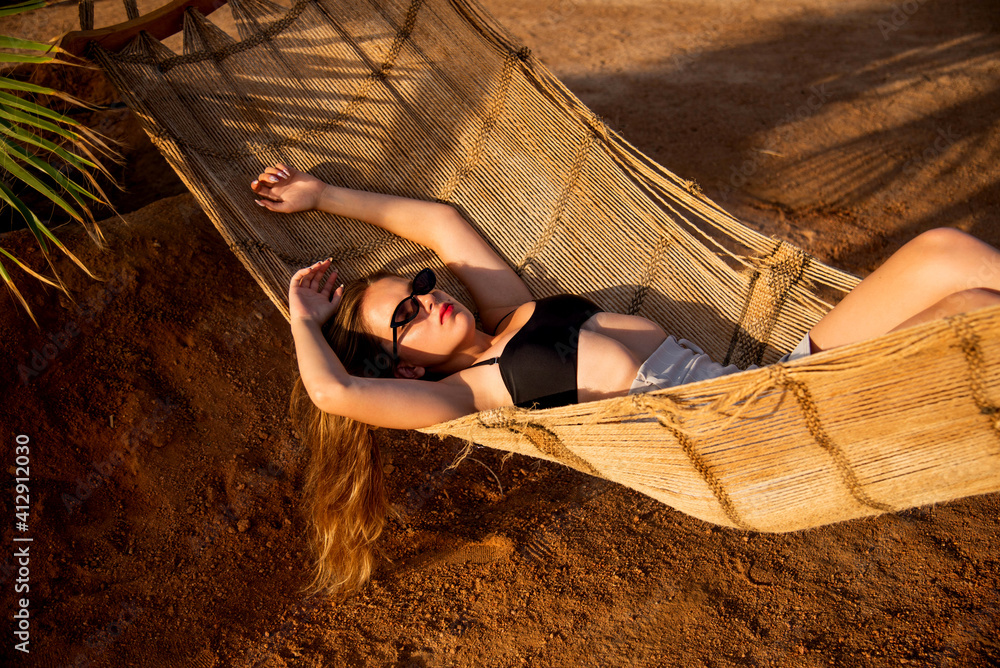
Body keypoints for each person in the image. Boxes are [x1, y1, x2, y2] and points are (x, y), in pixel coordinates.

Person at [250, 162, 1000, 595]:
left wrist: (322, 198)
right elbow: (336, 395)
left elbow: (443, 224)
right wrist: (303, 323)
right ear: (404, 365)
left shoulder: (513, 310)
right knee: (972, 314)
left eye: (420, 285)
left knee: (943, 252)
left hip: (774, 386)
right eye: (406, 314)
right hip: (762, 446)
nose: (431, 296)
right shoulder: (472, 391)